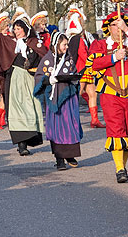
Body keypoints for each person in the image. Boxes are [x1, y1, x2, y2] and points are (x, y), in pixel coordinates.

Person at [86, 12, 128, 183]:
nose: (117, 28)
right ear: (108, 28)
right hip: (110, 93)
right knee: (116, 130)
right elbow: (92, 65)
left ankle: (124, 164)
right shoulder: (100, 45)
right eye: (114, 24)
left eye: (120, 23)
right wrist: (114, 57)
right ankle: (119, 169)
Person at [34, 31, 83, 170]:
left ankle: (70, 154)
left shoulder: (69, 58)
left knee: (70, 125)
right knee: (56, 129)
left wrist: (74, 80)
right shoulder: (47, 59)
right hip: (54, 99)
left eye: (67, 44)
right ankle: (59, 158)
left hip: (69, 98)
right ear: (56, 45)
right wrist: (49, 80)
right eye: (64, 44)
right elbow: (38, 77)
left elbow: (73, 72)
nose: (66, 47)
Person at [4, 11, 47, 156]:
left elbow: (44, 57)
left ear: (25, 29)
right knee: (17, 108)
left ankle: (29, 138)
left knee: (30, 107)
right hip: (15, 78)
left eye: (18, 29)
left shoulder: (34, 42)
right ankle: (21, 144)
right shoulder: (11, 43)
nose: (16, 32)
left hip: (29, 79)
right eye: (14, 29)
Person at [65, 6, 105, 128]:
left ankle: (94, 120)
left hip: (83, 69)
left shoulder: (72, 38)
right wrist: (92, 63)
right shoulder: (79, 39)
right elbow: (83, 54)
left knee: (91, 94)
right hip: (82, 69)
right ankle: (71, 119)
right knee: (79, 93)